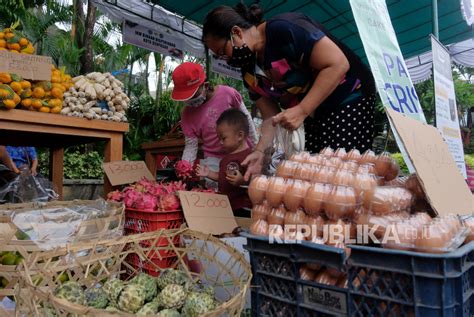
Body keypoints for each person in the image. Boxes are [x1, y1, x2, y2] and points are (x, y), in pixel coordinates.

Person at [202, 3, 376, 180]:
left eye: (223, 51)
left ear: (237, 33)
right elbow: (271, 116)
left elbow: (337, 64)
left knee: (342, 173)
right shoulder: (248, 72)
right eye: (220, 57)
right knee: (317, 174)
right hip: (314, 111)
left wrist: (302, 110)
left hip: (349, 96)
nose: (226, 60)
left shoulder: (283, 29)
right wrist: (260, 151)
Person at [171, 62, 258, 186]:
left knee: (247, 186)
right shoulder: (187, 115)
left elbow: (247, 120)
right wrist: (185, 168)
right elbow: (191, 146)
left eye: (193, 96)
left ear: (205, 86)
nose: (190, 101)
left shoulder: (228, 94)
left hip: (242, 153)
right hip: (214, 161)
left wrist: (256, 149)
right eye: (186, 98)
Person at [196, 108, 252, 215]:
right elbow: (222, 178)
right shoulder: (226, 158)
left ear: (240, 135)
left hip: (242, 207)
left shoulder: (249, 156)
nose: (220, 142)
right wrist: (208, 173)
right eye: (219, 138)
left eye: (224, 138)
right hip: (226, 206)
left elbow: (256, 181)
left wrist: (243, 181)